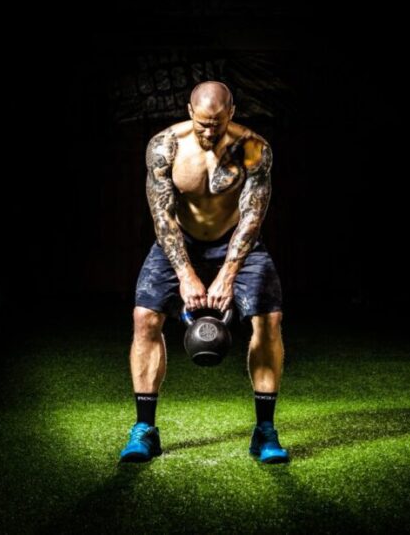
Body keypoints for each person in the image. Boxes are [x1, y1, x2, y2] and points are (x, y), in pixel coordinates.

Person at [119, 81, 288, 464]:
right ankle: (145, 429)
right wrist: (186, 274)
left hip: (235, 241)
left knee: (269, 320)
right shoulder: (166, 146)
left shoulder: (252, 149)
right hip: (180, 240)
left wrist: (228, 274)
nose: (209, 132)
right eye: (202, 124)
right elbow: (162, 217)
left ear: (231, 112)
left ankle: (264, 431)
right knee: (145, 318)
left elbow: (252, 217)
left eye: (216, 123)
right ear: (189, 112)